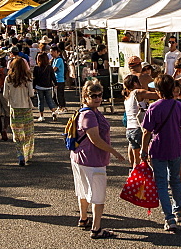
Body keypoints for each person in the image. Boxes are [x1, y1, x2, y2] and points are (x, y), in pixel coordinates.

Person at [70, 81, 124, 238]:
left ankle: (83, 218)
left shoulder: (88, 112)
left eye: (99, 95)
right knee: (97, 195)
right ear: (85, 97)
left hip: (80, 158)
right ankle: (96, 228)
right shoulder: (89, 115)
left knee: (83, 190)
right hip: (91, 160)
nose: (97, 98)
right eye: (92, 95)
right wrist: (114, 152)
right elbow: (95, 139)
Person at [141, 74, 181, 232]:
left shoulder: (153, 107)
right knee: (176, 180)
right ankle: (178, 211)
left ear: (158, 91)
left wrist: (143, 150)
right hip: (176, 147)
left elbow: (146, 132)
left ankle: (169, 218)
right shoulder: (179, 106)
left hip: (158, 148)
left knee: (161, 184)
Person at [4, 57, 35, 166]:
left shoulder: (8, 79)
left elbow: (5, 95)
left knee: (16, 133)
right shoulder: (28, 78)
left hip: (14, 108)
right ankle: (27, 154)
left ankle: (20, 155)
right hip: (26, 107)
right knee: (28, 133)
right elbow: (31, 94)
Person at [123, 74, 146, 166]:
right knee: (147, 155)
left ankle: (135, 177)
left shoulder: (127, 97)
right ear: (135, 83)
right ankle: (150, 178)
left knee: (136, 161)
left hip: (129, 129)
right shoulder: (137, 92)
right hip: (138, 129)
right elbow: (156, 95)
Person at [33, 51, 57, 121]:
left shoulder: (36, 68)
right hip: (48, 86)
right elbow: (53, 76)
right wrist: (55, 84)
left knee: (41, 101)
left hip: (39, 86)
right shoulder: (49, 67)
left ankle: (41, 116)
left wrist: (33, 87)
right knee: (50, 100)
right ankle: (53, 111)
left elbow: (35, 78)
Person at [51, 45, 68, 115]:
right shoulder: (54, 60)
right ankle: (59, 106)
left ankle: (63, 107)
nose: (51, 53)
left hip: (60, 80)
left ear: (57, 52)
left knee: (59, 95)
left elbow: (54, 69)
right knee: (54, 96)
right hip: (55, 80)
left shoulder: (59, 59)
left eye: (52, 52)